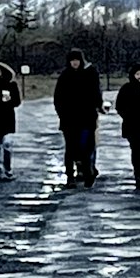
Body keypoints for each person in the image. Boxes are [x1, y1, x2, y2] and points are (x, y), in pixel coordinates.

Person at [53, 47, 105, 188]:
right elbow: (58, 97)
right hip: (69, 119)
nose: (74, 63)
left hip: (87, 117)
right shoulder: (65, 76)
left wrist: (99, 106)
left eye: (77, 60)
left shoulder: (90, 73)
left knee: (86, 147)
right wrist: (62, 113)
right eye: (72, 60)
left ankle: (88, 174)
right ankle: (70, 176)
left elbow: (96, 92)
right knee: (70, 149)